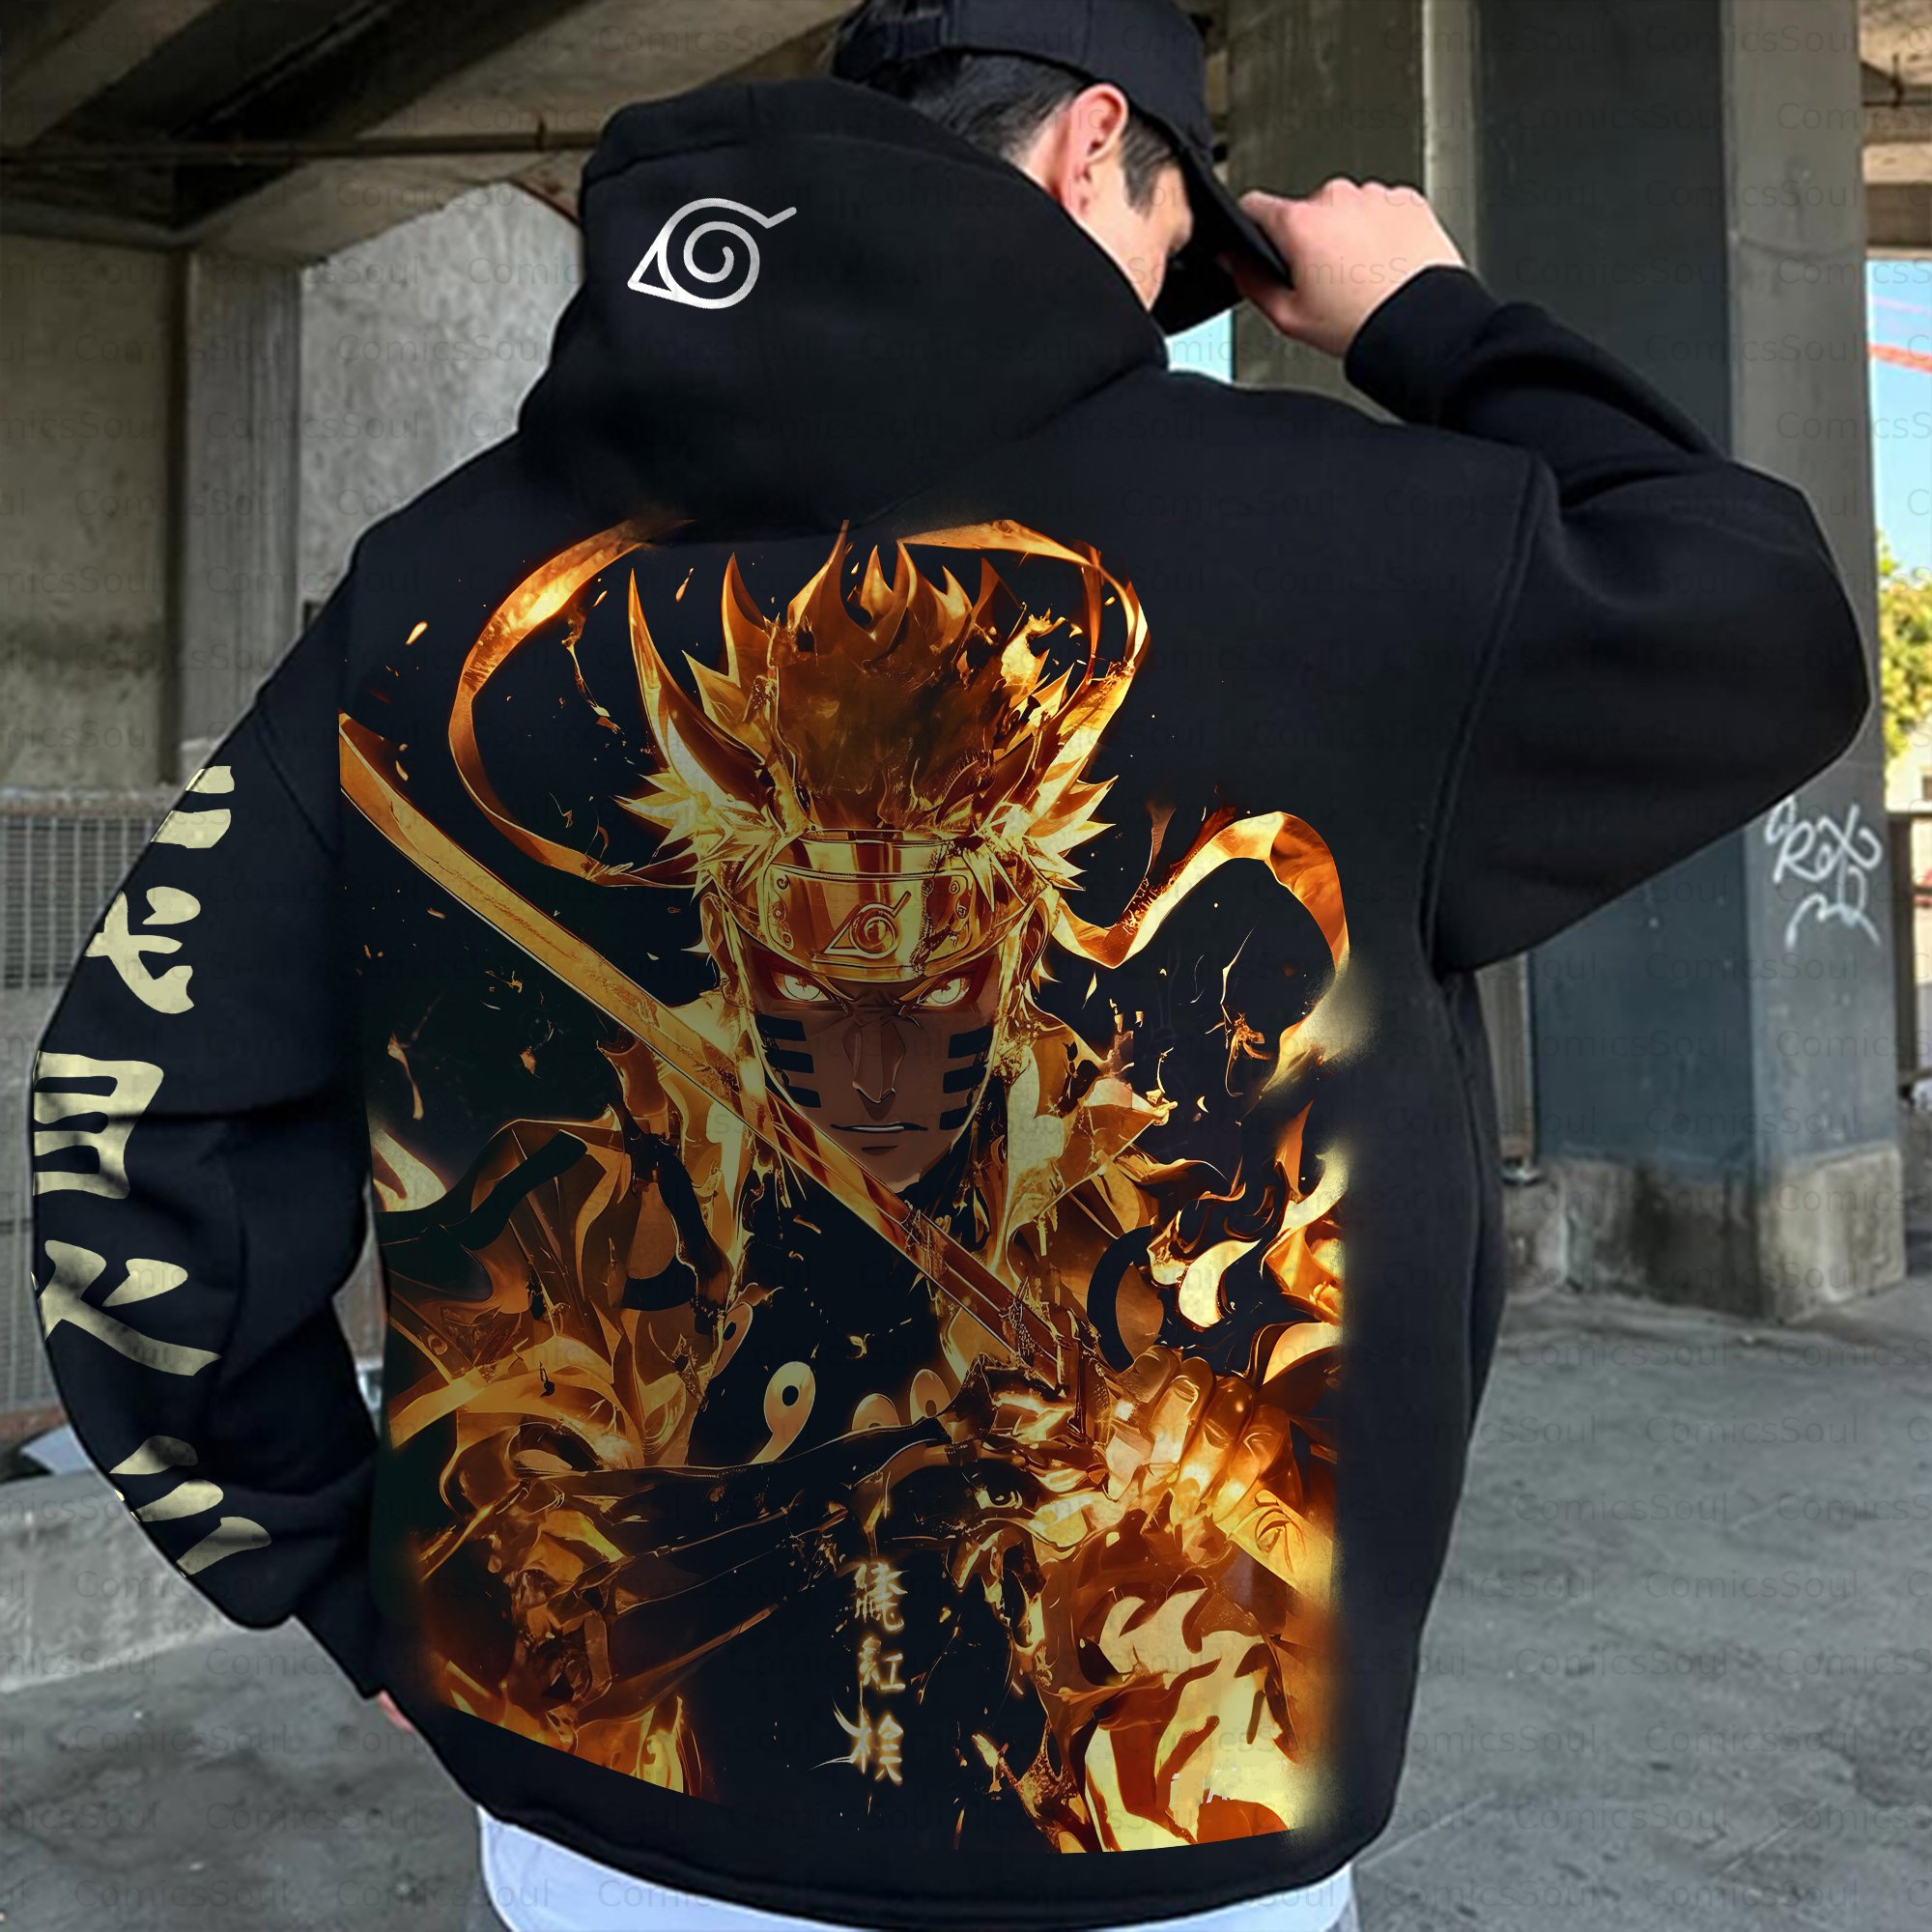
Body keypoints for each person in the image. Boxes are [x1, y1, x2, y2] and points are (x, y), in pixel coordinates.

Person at [26, 1, 1867, 1930]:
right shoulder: (1356, 546)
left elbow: (135, 1122)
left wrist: (342, 1579)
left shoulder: (434, 578)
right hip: (1177, 1845)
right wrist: (1430, 315)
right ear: (1092, 146)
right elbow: (1760, 612)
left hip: (610, 1823)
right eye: (1174, 246)